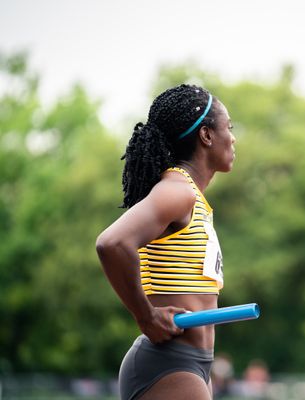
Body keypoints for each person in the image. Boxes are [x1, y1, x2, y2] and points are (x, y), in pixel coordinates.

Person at [96, 84, 236, 400]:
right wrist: (146, 315)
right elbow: (112, 243)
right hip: (169, 362)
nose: (233, 137)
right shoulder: (177, 191)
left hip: (193, 364)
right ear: (207, 135)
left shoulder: (193, 198)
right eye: (229, 127)